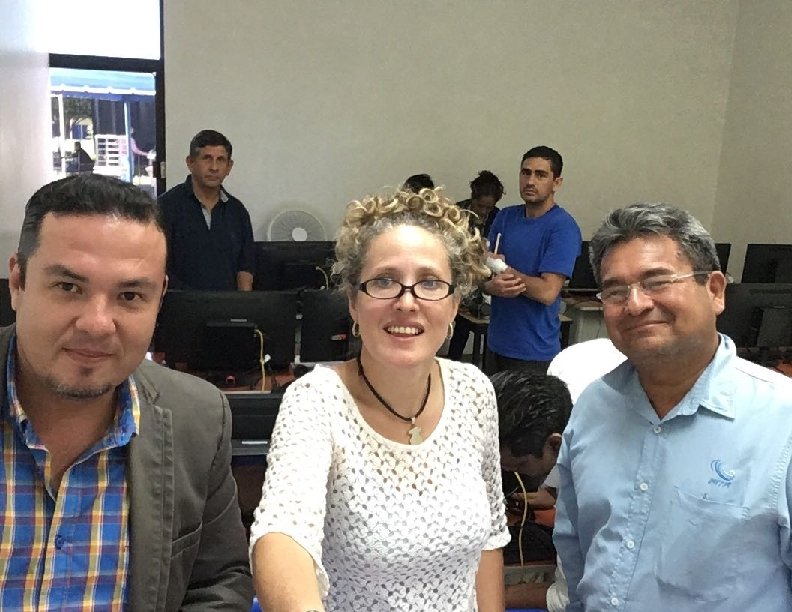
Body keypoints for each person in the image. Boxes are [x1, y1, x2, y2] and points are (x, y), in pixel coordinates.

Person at [1, 174, 253, 609]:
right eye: (69, 287)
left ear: (160, 298)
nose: (97, 324)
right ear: (18, 282)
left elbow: (218, 583)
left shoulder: (197, 419)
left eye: (131, 295)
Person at [250, 187, 509, 611]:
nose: (407, 302)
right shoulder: (316, 400)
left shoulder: (474, 390)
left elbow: (490, 542)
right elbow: (282, 533)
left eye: (430, 282)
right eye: (384, 281)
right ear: (353, 302)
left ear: (454, 305)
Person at [554, 202, 792, 611]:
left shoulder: (781, 421)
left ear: (715, 290)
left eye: (657, 281)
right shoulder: (594, 406)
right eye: (615, 291)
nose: (635, 304)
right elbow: (576, 549)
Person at [484, 146, 581, 374]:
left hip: (533, 354)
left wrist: (501, 268)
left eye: (540, 175)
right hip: (495, 344)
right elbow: (482, 274)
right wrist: (489, 286)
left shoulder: (563, 227)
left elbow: (547, 292)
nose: (530, 181)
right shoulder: (505, 217)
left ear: (556, 183)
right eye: (526, 173)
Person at [491, 370, 572, 610]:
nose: (515, 472)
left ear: (555, 444)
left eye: (520, 465)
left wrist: (493, 595)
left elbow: (566, 599)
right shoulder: (573, 437)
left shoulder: (586, 500)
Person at [158, 129, 255, 291]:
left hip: (227, 304)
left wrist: (245, 303)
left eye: (221, 160)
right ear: (190, 163)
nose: (214, 167)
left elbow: (245, 266)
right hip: (178, 303)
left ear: (229, 167)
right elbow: (157, 266)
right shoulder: (165, 207)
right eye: (207, 158)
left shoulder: (237, 212)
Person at [447, 170, 504, 361]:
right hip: (458, 275)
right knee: (458, 326)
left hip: (484, 277)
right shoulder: (456, 215)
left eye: (489, 207)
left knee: (480, 322)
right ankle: (452, 360)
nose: (484, 212)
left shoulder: (498, 217)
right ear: (473, 198)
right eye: (480, 206)